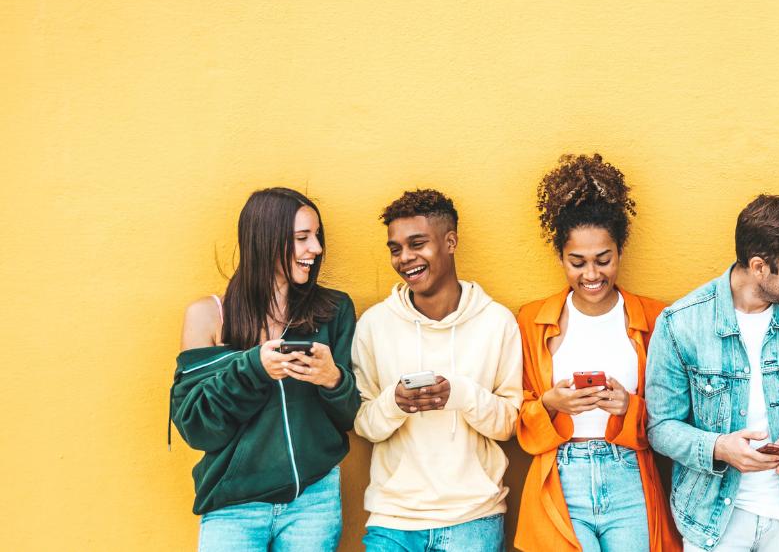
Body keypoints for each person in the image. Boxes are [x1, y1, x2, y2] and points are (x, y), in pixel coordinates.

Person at [646, 194, 779, 552]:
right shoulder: (681, 323)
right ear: (759, 267)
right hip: (711, 520)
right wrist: (719, 448)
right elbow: (661, 427)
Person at [172, 187, 360, 551]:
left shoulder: (333, 310)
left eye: (317, 236)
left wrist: (332, 379)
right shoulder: (208, 316)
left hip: (314, 501)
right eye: (302, 238)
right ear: (265, 241)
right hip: (234, 507)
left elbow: (350, 416)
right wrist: (253, 369)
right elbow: (197, 428)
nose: (317, 248)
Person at [514, 154, 680, 552]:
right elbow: (516, 412)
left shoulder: (656, 319)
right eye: (577, 262)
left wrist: (629, 406)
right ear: (561, 258)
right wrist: (551, 403)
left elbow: (674, 415)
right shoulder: (532, 321)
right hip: (561, 476)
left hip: (629, 476)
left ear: (620, 251)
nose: (591, 274)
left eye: (603, 260)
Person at [351, 189, 522, 551]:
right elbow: (364, 424)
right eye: (395, 249)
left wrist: (459, 394)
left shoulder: (497, 322)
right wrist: (395, 402)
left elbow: (509, 424)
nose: (405, 258)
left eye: (417, 244)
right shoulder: (374, 325)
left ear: (450, 242)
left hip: (473, 518)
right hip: (393, 519)